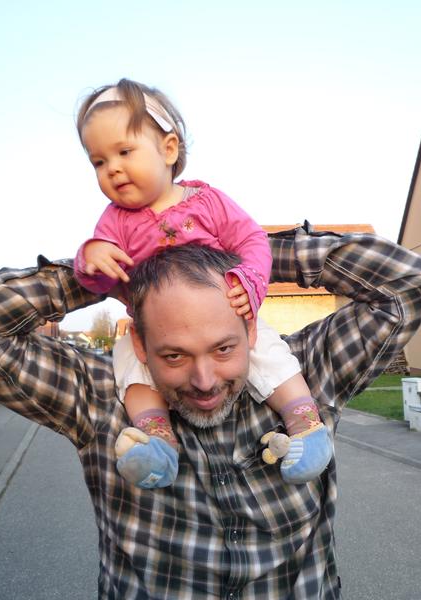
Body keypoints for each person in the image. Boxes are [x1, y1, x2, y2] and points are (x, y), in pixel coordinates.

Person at [0, 226, 421, 598]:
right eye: (174, 355)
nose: (204, 380)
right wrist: (102, 272)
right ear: (140, 346)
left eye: (224, 349)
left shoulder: (308, 370)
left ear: (251, 331)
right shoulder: (100, 395)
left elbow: (414, 281)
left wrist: (247, 252)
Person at [72, 78, 330, 489]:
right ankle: (158, 440)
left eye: (124, 152)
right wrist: (91, 258)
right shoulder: (113, 222)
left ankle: (305, 424)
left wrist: (251, 280)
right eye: (98, 162)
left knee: (268, 353)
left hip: (226, 311)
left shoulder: (206, 201)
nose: (112, 169)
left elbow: (251, 240)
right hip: (156, 333)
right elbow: (102, 279)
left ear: (168, 149)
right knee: (130, 366)